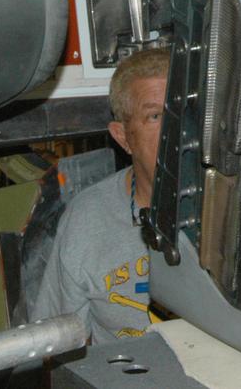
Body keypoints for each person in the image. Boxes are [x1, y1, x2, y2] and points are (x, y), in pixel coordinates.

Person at [32, 48, 170, 343]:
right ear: (123, 137)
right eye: (155, 116)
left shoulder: (239, 203)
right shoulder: (87, 220)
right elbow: (54, 343)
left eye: (185, 111)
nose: (175, 129)